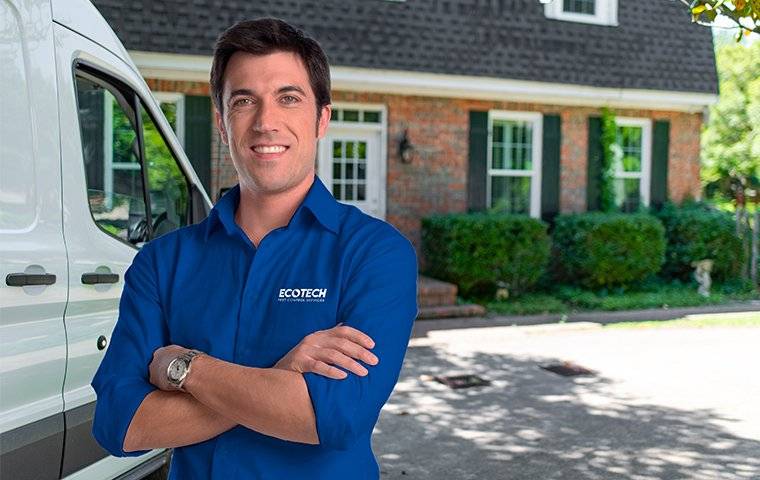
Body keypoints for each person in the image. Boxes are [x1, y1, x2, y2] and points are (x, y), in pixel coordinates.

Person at [91, 18, 419, 479]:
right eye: (244, 101)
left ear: (321, 118)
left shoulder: (375, 254)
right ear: (223, 124)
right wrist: (282, 375)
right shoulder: (162, 264)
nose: (266, 122)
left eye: (288, 98)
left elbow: (335, 418)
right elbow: (119, 425)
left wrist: (185, 368)